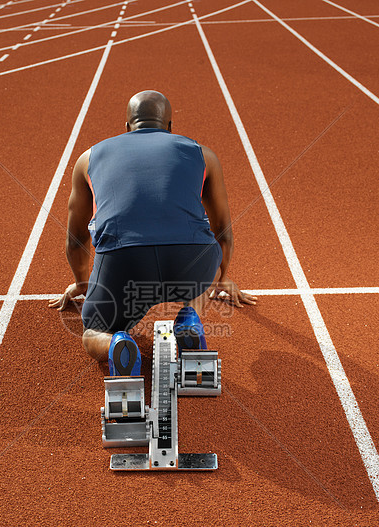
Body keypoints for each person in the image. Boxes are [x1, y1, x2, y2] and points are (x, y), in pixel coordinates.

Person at [49, 90, 256, 375]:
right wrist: (221, 277)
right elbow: (224, 232)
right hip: (191, 261)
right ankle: (189, 320)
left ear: (127, 127)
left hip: (125, 262)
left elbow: (75, 240)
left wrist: (84, 285)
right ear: (170, 127)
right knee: (205, 258)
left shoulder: (89, 157)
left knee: (94, 332)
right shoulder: (203, 154)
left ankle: (115, 345)